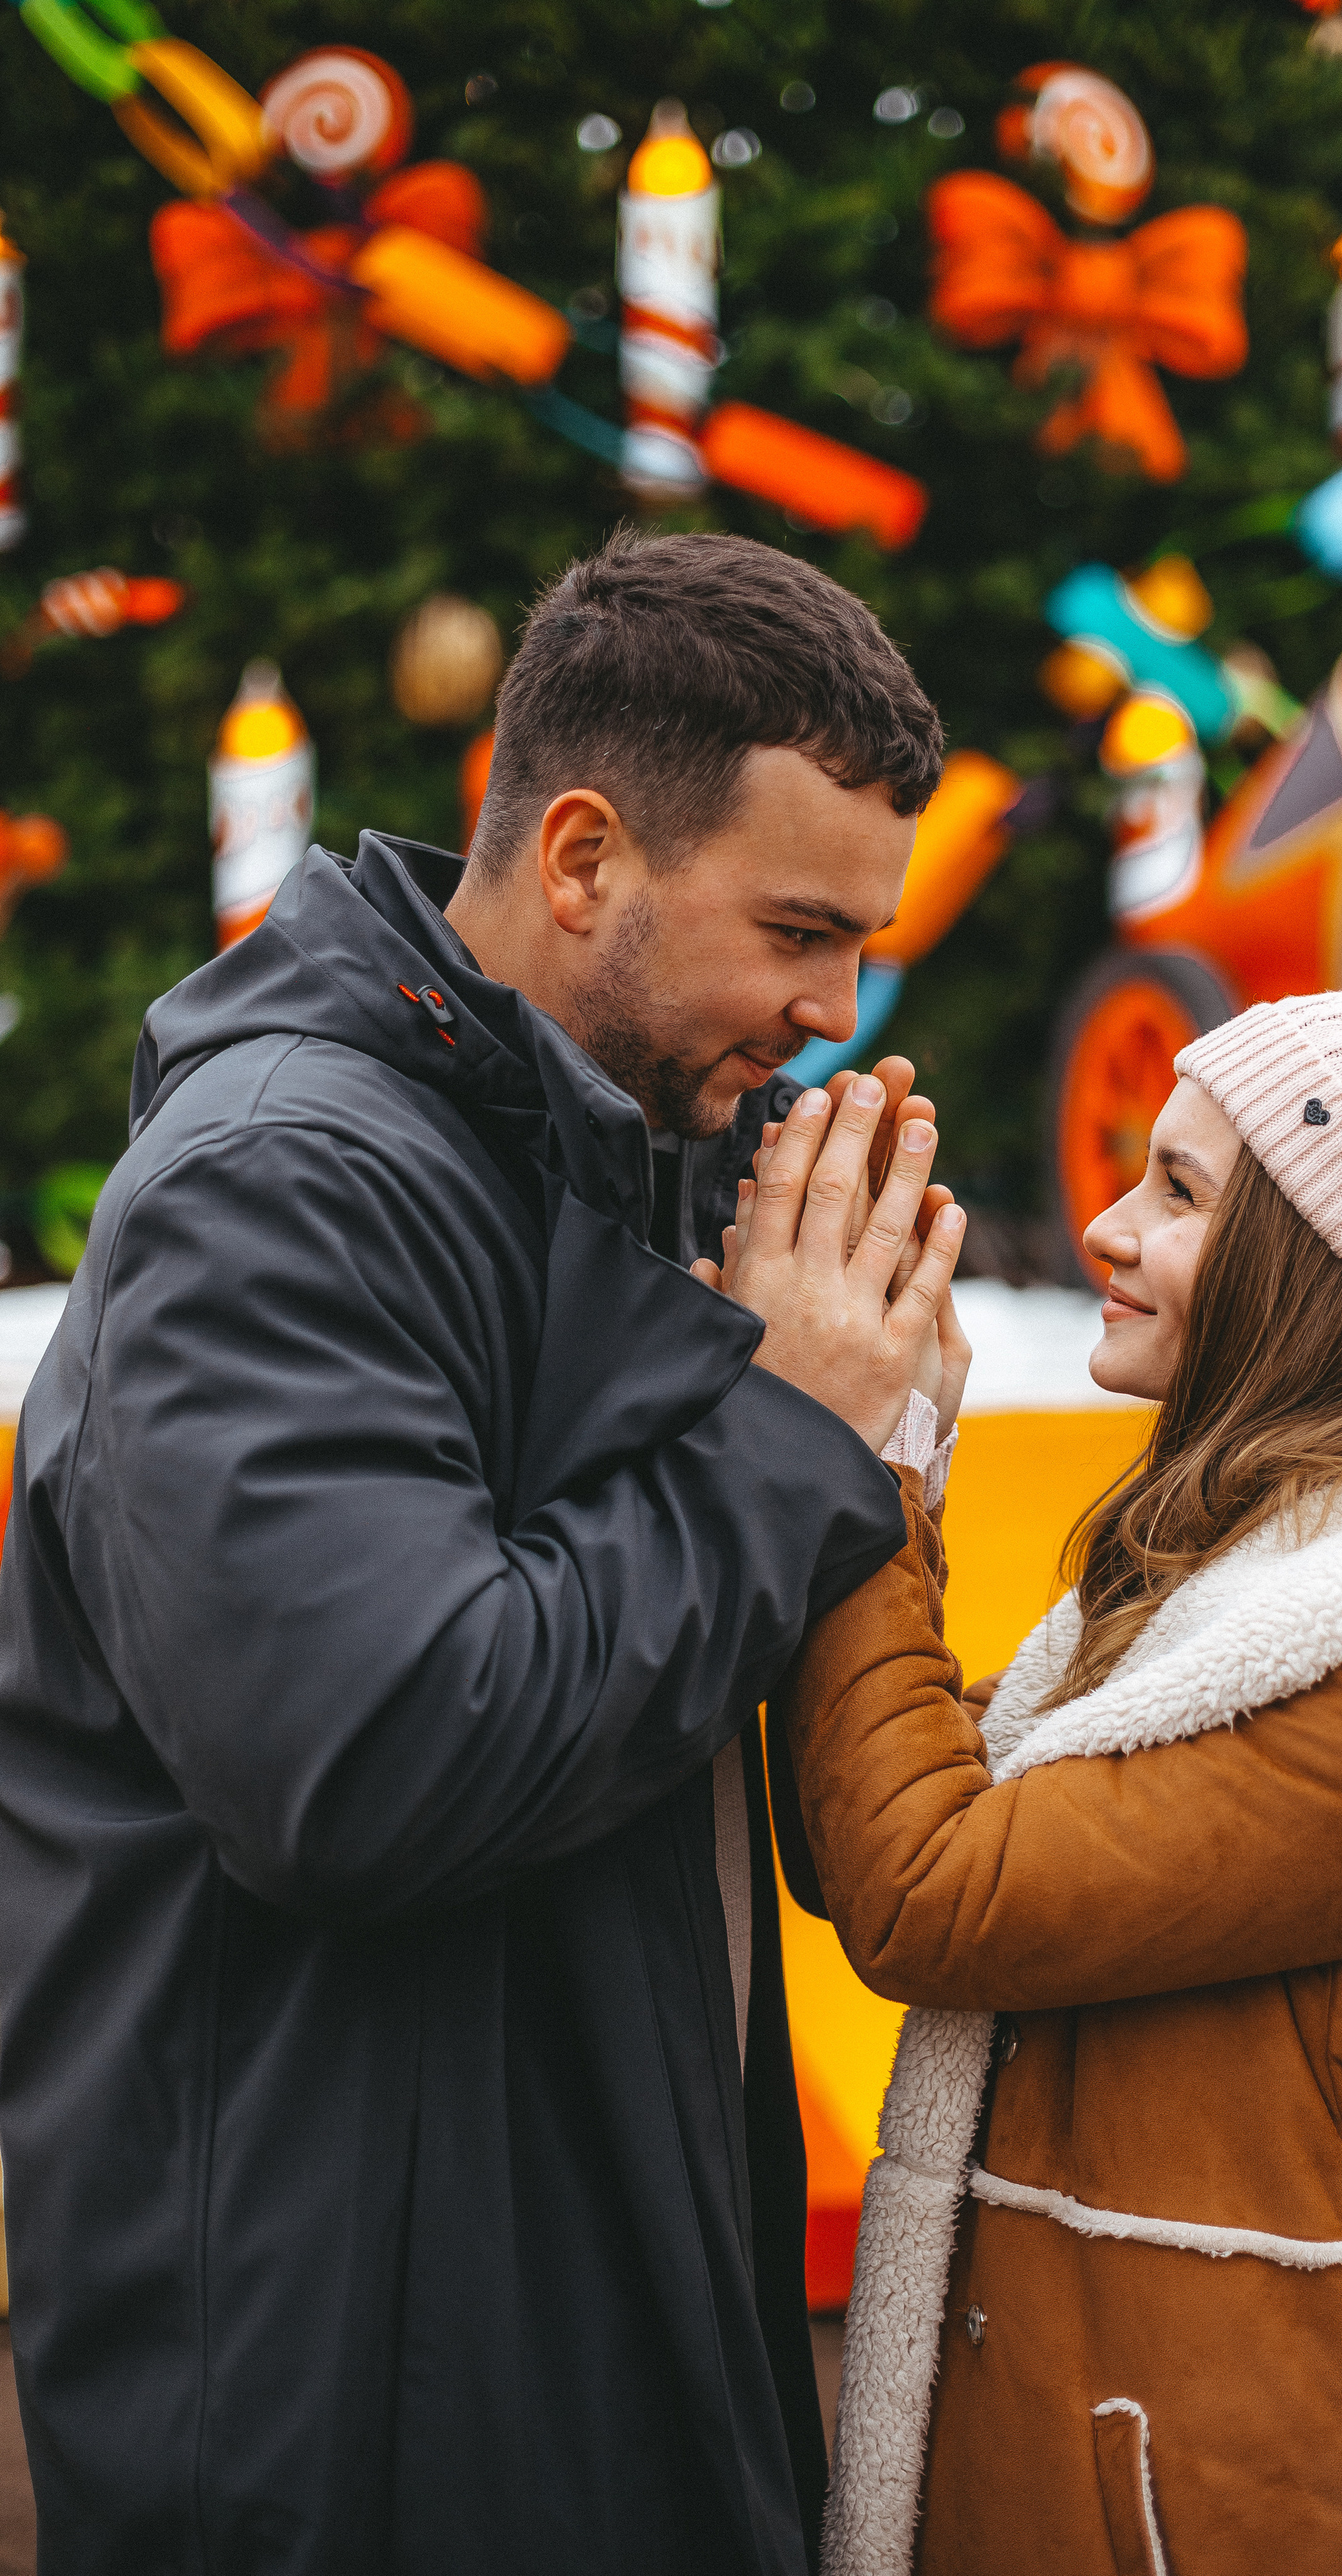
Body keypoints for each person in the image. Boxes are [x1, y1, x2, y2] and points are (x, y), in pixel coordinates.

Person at [0, 529, 968, 2576]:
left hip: (580, 2323)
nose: (831, 1012)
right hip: (347, 2409)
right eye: (797, 931)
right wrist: (791, 1432)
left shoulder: (624, 1160)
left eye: (858, 946)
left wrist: (882, 1436)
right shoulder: (279, 1186)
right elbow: (371, 1764)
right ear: (587, 855)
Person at [743, 915, 1342, 2575]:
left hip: (1257, 2504)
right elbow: (864, 1821)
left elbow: (927, 1893)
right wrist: (880, 1459)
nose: (1105, 1227)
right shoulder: (1248, 1562)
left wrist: (860, 1460)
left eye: (1178, 1194)